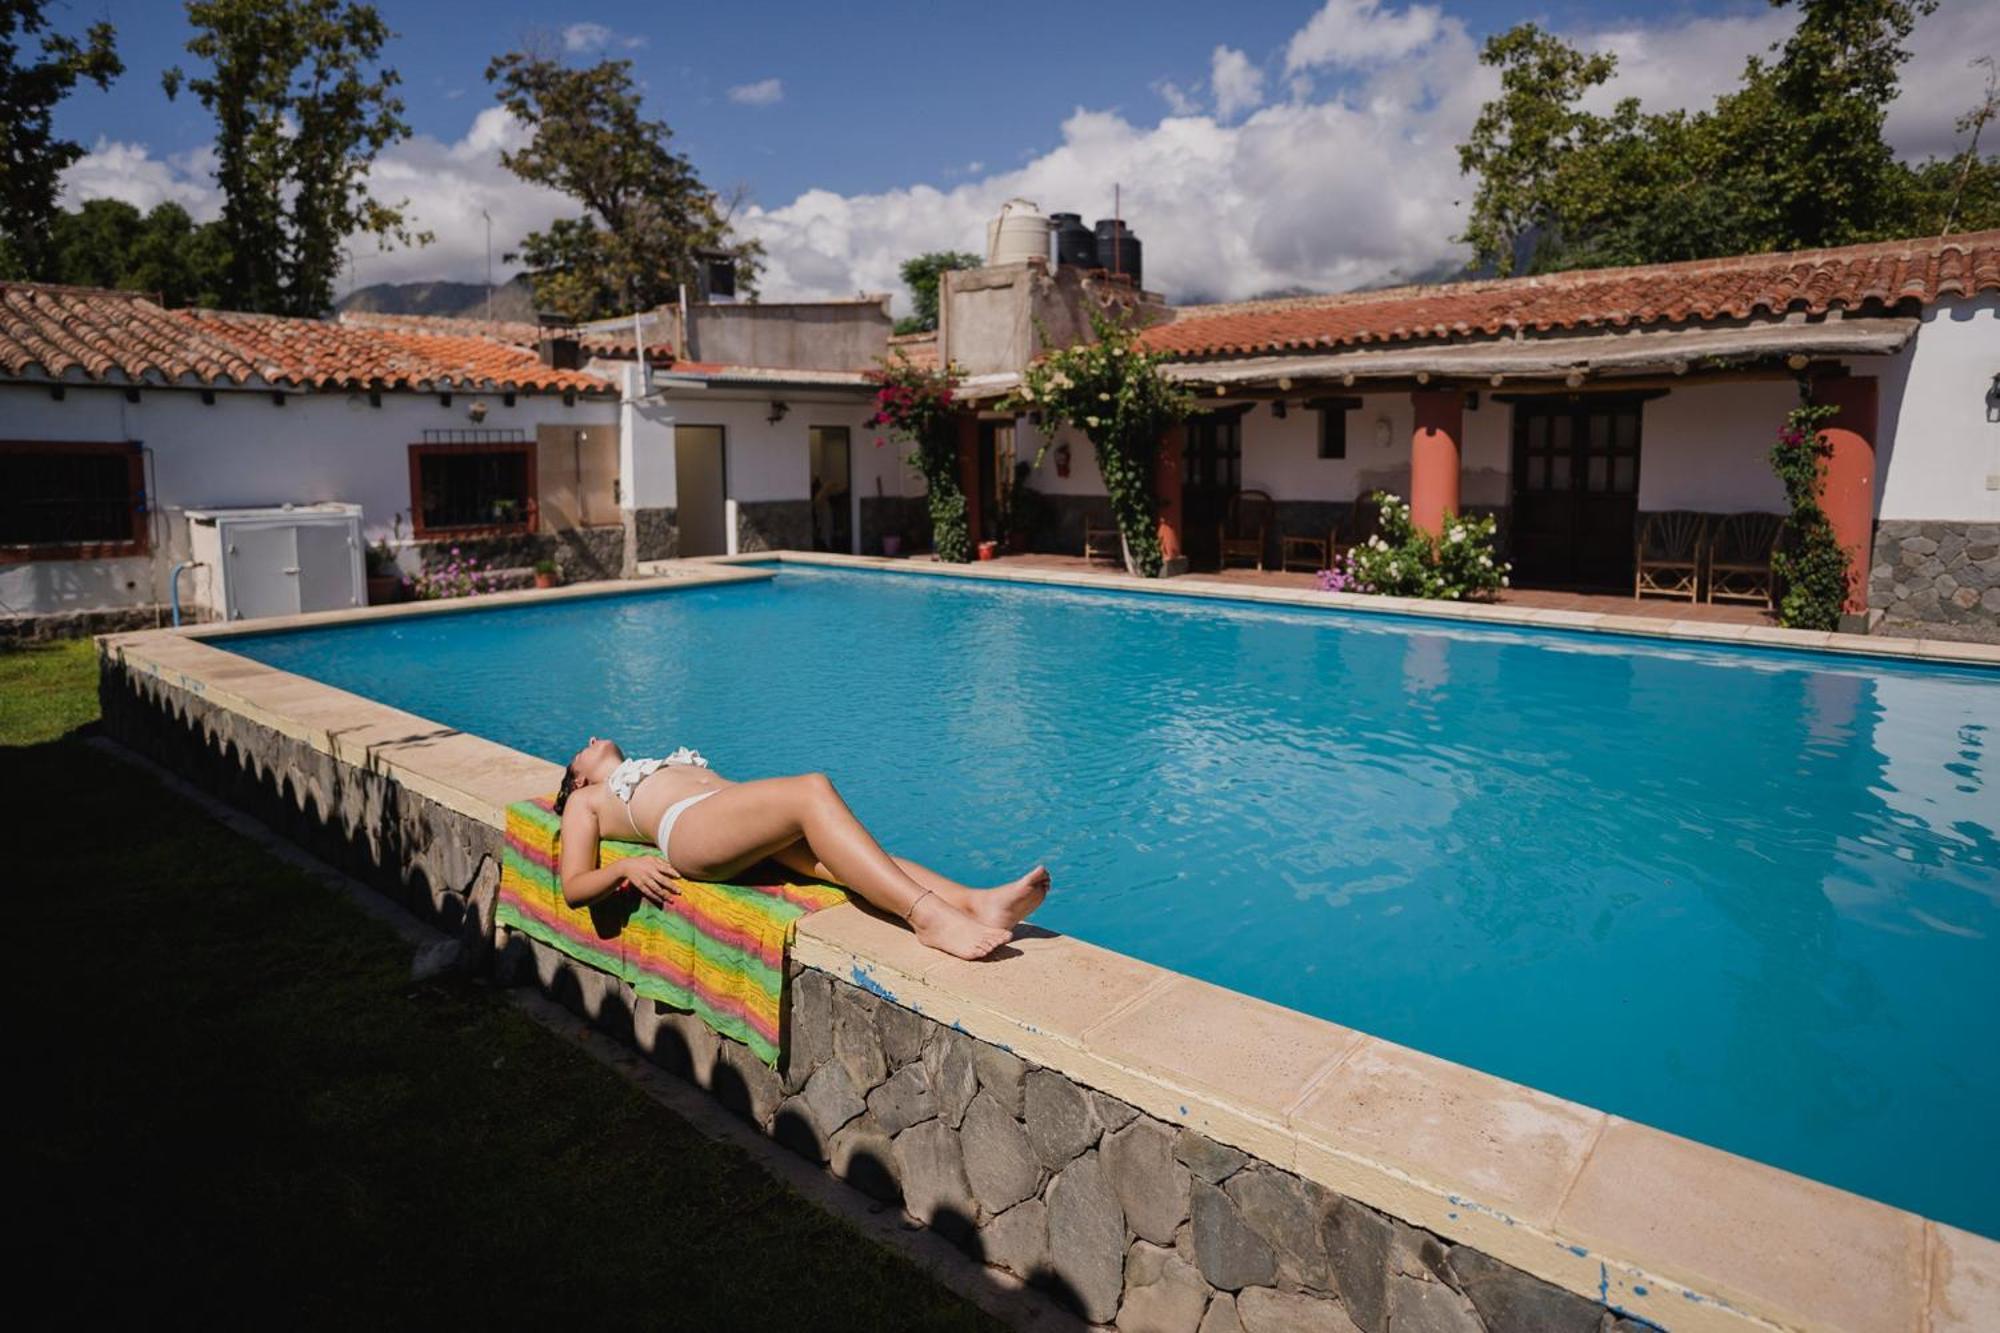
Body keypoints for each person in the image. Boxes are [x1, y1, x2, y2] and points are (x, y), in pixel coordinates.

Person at [552, 737, 1049, 960]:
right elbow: (574, 887)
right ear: (577, 780)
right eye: (582, 748)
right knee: (811, 788)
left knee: (850, 857)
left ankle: (975, 902)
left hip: (728, 824)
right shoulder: (589, 801)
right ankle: (928, 918)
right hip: (688, 833)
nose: (593, 738)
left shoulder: (649, 765)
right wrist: (625, 867)